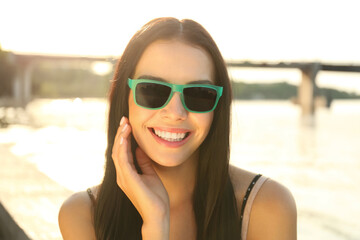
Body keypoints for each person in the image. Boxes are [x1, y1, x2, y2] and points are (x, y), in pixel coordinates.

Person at [58, 17, 297, 240]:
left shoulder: (268, 206)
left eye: (199, 95)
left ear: (217, 108)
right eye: (152, 90)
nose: (176, 113)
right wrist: (155, 221)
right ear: (125, 98)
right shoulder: (82, 214)